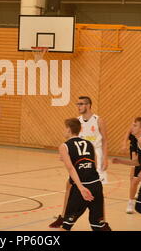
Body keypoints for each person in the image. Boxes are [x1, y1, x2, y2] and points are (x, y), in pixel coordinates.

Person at [49, 96, 109, 228]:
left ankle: (101, 220)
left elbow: (105, 139)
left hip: (94, 157)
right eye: (78, 104)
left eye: (81, 104)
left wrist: (105, 158)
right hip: (80, 157)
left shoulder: (98, 120)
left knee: (98, 191)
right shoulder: (77, 121)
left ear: (88, 105)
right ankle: (64, 216)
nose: (78, 106)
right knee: (69, 185)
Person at [59, 118, 111, 231]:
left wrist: (81, 187)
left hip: (81, 189)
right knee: (98, 226)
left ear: (68, 129)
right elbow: (95, 164)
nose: (63, 131)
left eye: (64, 128)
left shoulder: (64, 146)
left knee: (66, 226)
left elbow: (71, 169)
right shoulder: (90, 144)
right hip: (96, 185)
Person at [121, 103, 141, 214]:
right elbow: (128, 131)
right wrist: (124, 143)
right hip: (135, 149)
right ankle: (131, 201)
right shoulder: (138, 122)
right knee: (133, 174)